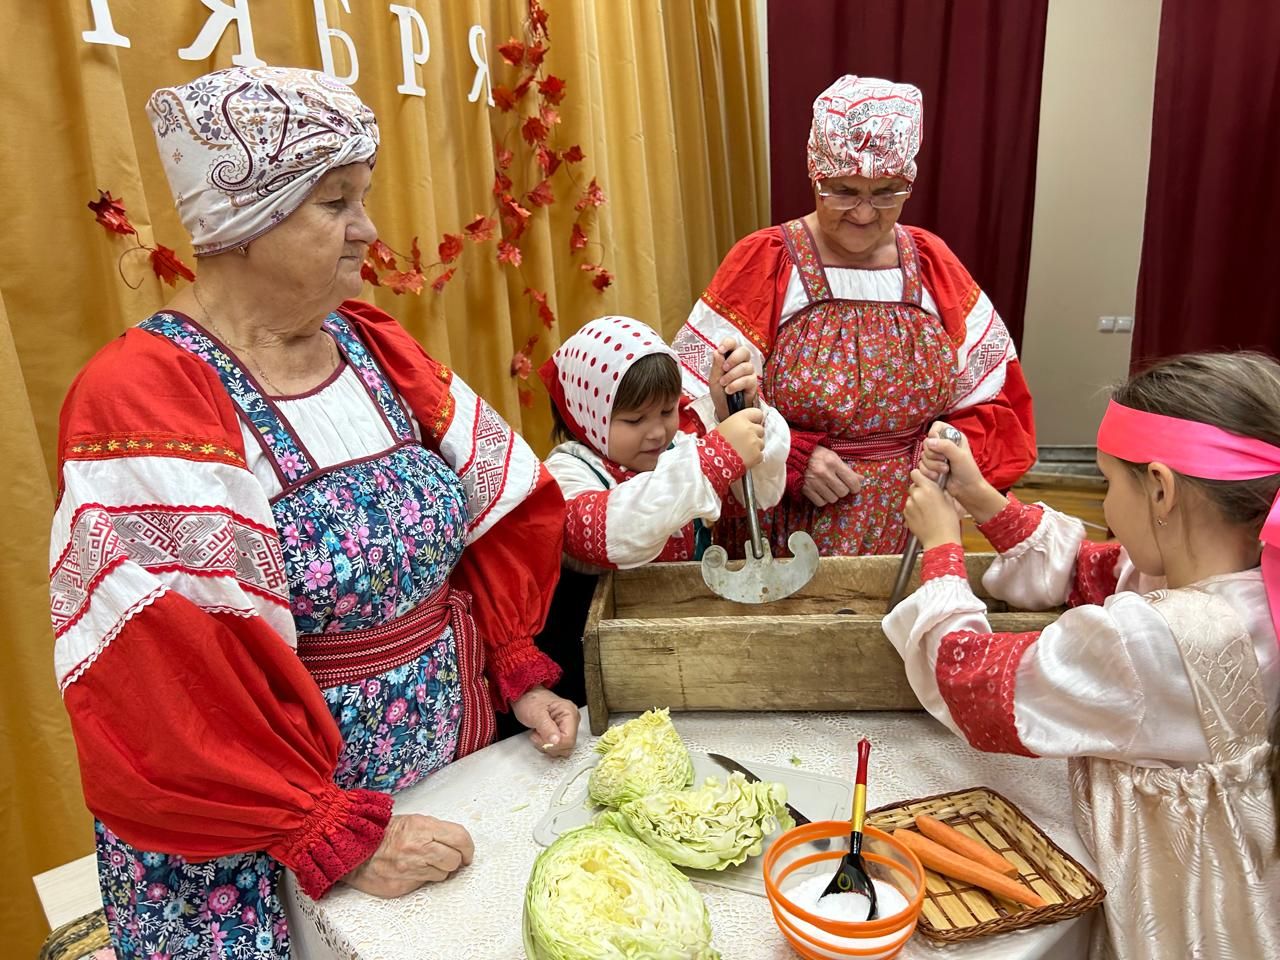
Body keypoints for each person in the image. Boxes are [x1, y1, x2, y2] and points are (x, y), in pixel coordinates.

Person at [49, 66, 579, 960]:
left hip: (439, 775)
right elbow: (167, 680)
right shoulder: (142, 398)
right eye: (336, 202)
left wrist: (512, 666)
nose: (367, 230)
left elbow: (487, 521)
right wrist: (325, 828)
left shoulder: (376, 347)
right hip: (265, 839)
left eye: (361, 197)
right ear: (241, 226)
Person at [884, 352, 1280, 958]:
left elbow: (974, 683)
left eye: (1107, 483)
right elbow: (1094, 572)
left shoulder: (1155, 641)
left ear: (1161, 491)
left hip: (1173, 890)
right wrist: (983, 500)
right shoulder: (1252, 587)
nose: (1106, 507)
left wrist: (942, 547)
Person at [672, 75, 1036, 558]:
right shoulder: (767, 263)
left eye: (886, 192)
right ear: (814, 176)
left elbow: (995, 399)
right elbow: (691, 398)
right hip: (788, 531)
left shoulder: (931, 264)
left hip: (909, 532)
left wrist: (947, 461)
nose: (864, 214)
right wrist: (790, 455)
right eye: (843, 191)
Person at [540, 315, 788, 572]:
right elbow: (604, 533)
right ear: (590, 418)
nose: (658, 432)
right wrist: (715, 459)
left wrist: (735, 414)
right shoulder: (565, 474)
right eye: (635, 420)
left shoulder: (681, 449)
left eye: (668, 411)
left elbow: (759, 496)